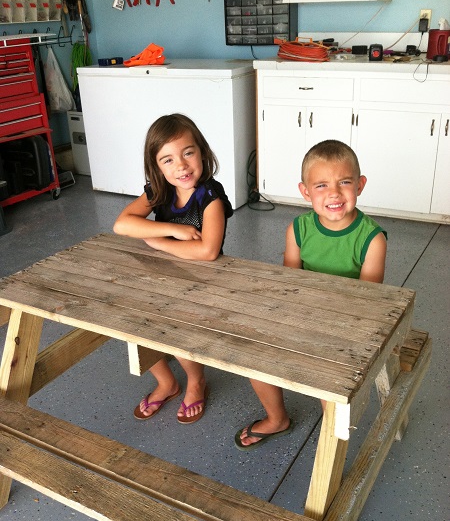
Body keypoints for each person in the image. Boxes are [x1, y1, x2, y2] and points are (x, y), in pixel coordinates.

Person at [235, 139, 387, 450]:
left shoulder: (372, 239)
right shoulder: (298, 230)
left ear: (360, 185)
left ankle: (332, 437)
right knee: (254, 357)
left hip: (346, 324)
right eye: (321, 185)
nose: (334, 193)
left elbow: (366, 302)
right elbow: (291, 284)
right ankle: (277, 418)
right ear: (305, 192)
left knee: (328, 380)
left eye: (344, 182)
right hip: (303, 314)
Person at [114, 113, 233, 424]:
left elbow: (207, 251)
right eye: (167, 160)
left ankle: (196, 381)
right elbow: (122, 225)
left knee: (177, 328)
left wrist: (158, 240)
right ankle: (167, 382)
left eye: (188, 153)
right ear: (157, 167)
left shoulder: (211, 196)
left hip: (204, 280)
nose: (180, 166)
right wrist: (174, 230)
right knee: (133, 320)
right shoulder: (158, 190)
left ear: (203, 153)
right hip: (163, 276)